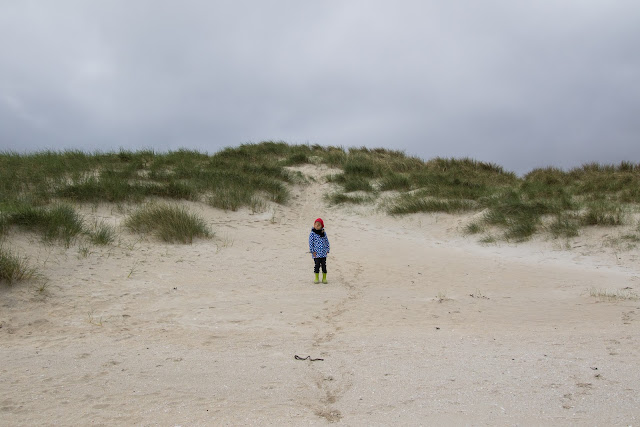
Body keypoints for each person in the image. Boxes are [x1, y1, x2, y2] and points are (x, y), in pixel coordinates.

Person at [309, 218, 330, 284]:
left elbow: (326, 241)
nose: (317, 226)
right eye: (316, 224)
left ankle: (324, 278)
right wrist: (312, 251)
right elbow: (311, 243)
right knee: (317, 265)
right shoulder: (312, 233)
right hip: (316, 253)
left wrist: (327, 249)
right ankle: (316, 278)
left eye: (318, 225)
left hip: (323, 253)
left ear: (321, 226)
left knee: (324, 265)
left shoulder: (323, 233)